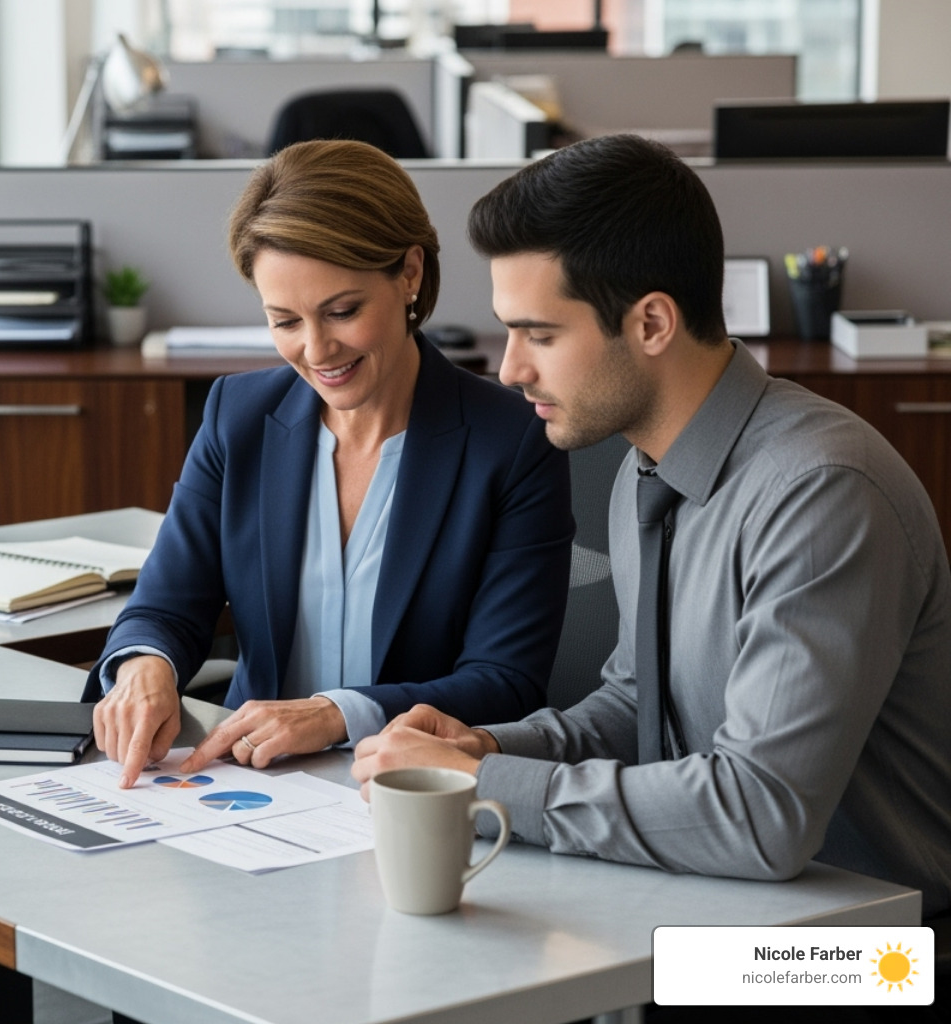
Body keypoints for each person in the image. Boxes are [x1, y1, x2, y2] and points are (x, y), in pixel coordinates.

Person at [350, 134, 951, 922]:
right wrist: (484, 749)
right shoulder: (649, 465)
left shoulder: (821, 493)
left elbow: (760, 815)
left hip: (872, 960)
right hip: (714, 908)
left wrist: (480, 788)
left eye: (540, 333)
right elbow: (639, 709)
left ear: (653, 323)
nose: (509, 368)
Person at [84, 139, 574, 788]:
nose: (317, 351)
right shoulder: (238, 416)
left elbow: (505, 680)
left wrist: (336, 715)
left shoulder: (508, 442)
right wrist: (144, 667)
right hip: (244, 785)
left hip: (410, 793)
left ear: (409, 275)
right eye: (284, 320)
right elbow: (166, 605)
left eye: (342, 312)